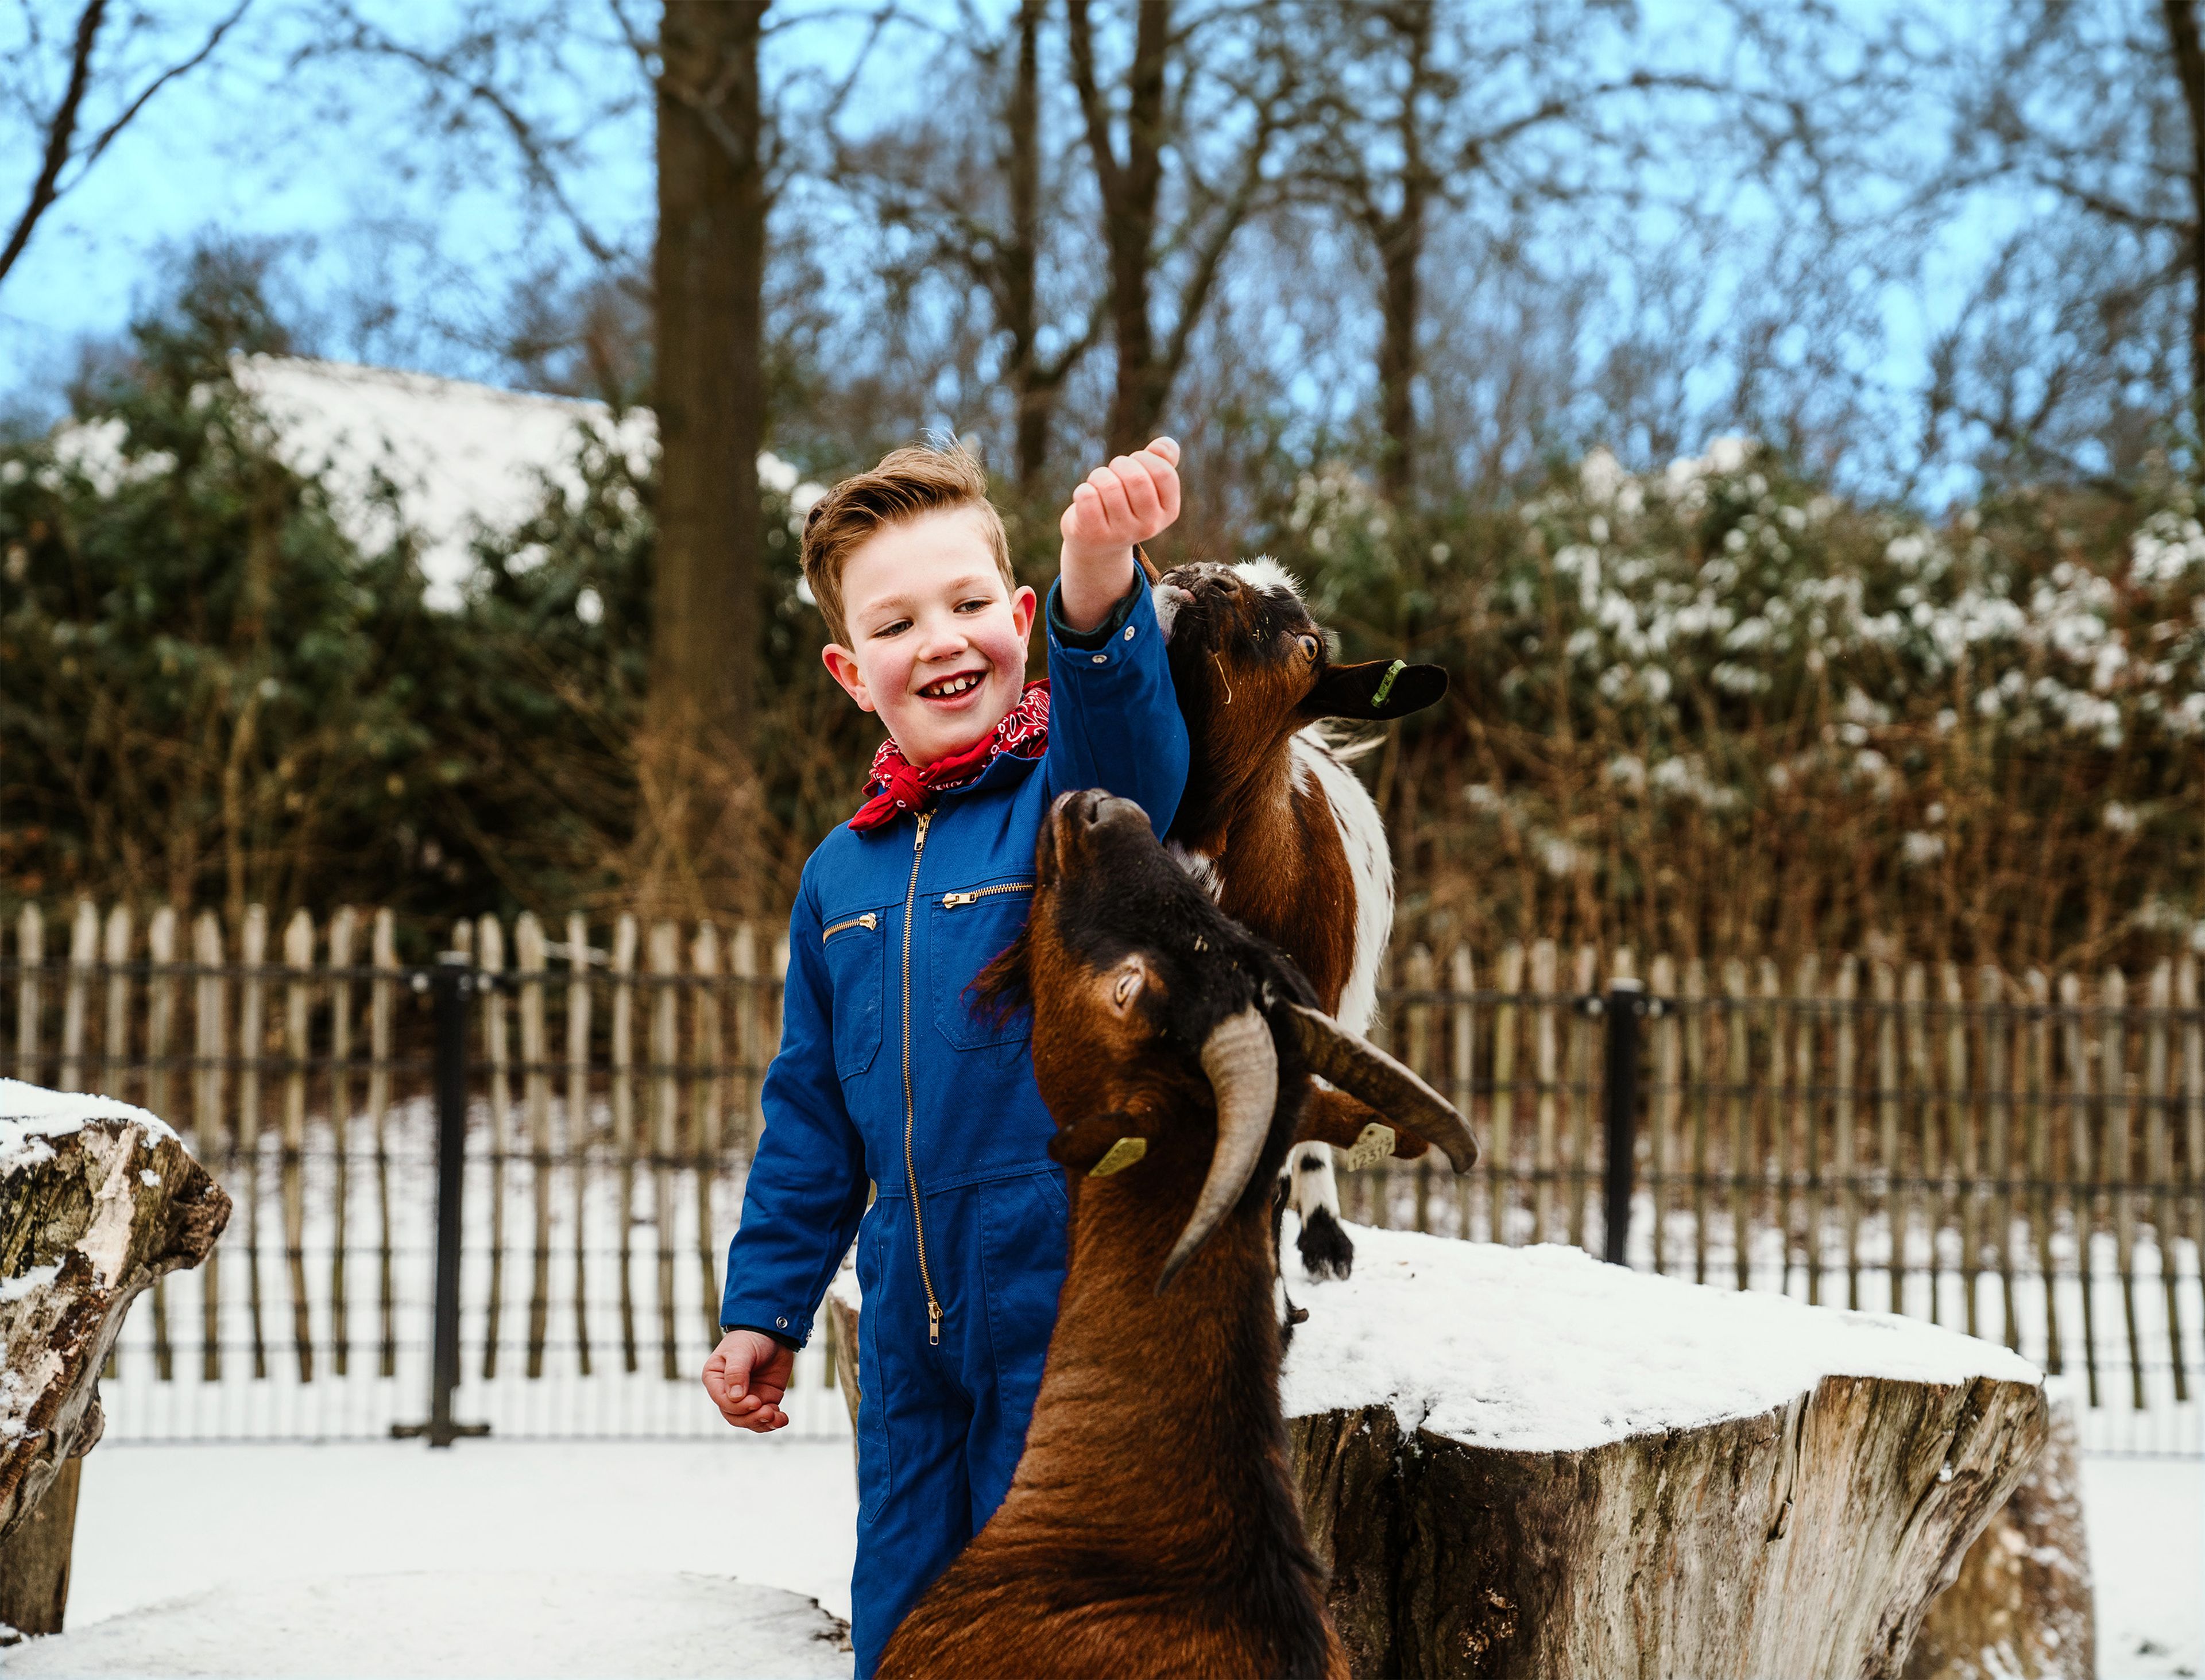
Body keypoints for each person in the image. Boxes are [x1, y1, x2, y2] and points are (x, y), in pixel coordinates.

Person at [701, 436, 1190, 1677]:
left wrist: (1099, 579)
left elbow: (1133, 751)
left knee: (1048, 1606)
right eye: (899, 620)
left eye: (972, 603)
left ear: (1020, 616)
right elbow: (810, 1110)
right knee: (907, 1610)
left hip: (1065, 1282)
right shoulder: (839, 875)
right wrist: (766, 1301)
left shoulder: (1069, 807)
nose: (944, 638)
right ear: (851, 670)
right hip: (907, 1312)